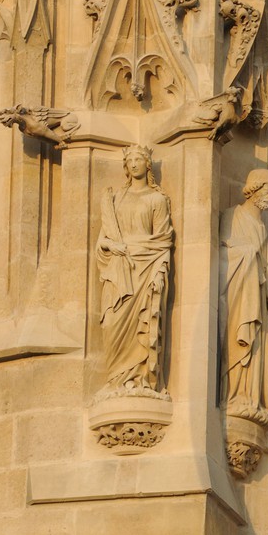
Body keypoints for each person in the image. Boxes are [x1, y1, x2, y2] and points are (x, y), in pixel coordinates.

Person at [95, 146, 174, 393]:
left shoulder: (157, 200)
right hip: (118, 270)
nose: (135, 164)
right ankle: (116, 378)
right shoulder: (116, 199)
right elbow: (102, 240)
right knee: (111, 323)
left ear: (148, 164)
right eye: (130, 160)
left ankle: (138, 378)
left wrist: (159, 272)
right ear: (126, 167)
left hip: (145, 269)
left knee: (143, 323)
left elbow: (162, 242)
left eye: (139, 159)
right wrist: (112, 245)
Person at [220, 169, 268, 424]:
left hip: (258, 296)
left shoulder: (261, 227)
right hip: (239, 296)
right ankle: (236, 397)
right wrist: (249, 255)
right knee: (242, 341)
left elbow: (265, 267)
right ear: (255, 189)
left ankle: (253, 399)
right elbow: (223, 254)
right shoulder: (232, 215)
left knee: (265, 346)